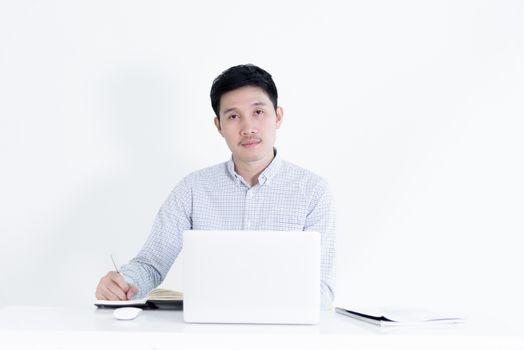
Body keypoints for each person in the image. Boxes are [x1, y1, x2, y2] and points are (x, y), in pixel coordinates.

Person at [95, 64, 336, 309]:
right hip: (207, 331)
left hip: (285, 333)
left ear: (278, 116)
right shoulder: (193, 189)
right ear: (219, 126)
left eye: (258, 112)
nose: (247, 127)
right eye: (233, 116)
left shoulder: (313, 191)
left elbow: (322, 290)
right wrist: (123, 283)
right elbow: (152, 264)